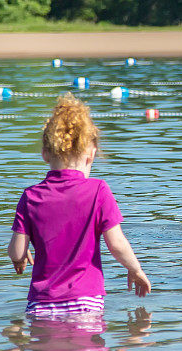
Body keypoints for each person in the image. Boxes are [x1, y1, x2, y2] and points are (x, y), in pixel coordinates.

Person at [8, 94, 151, 318]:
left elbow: (16, 251)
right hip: (85, 302)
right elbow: (117, 244)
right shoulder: (98, 191)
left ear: (45, 154)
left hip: (41, 304)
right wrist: (135, 269)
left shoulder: (30, 196)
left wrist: (19, 258)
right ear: (91, 153)